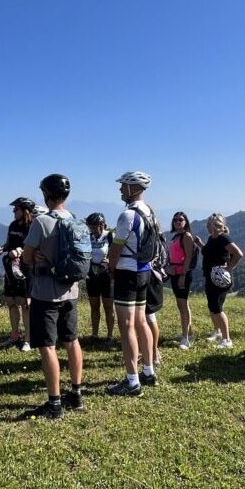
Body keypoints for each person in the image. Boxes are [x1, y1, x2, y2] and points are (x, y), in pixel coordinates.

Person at [21, 174, 84, 419]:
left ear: (46, 194)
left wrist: (37, 256)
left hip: (46, 292)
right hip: (71, 291)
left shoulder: (42, 222)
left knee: (47, 346)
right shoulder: (75, 219)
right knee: (72, 340)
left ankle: (54, 404)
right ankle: (76, 394)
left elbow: (27, 257)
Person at [106, 170, 161, 396]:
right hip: (144, 271)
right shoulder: (151, 212)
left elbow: (116, 248)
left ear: (132, 188)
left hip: (127, 273)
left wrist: (110, 268)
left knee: (126, 326)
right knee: (141, 322)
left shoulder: (127, 216)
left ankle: (132, 381)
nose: (120, 190)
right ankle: (148, 371)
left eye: (123, 186)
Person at [0, 197, 35, 352]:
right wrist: (3, 248)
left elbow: (34, 246)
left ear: (25, 210)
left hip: (26, 269)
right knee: (11, 301)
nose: (13, 212)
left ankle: (28, 339)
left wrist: (20, 251)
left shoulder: (33, 226)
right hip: (10, 267)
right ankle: (14, 335)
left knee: (25, 304)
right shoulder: (12, 225)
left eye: (16, 209)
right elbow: (8, 242)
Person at [202, 213, 243, 349]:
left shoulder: (223, 238)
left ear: (220, 226)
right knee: (212, 306)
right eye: (209, 224)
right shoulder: (211, 239)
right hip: (210, 277)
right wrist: (199, 245)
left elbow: (238, 254)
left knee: (218, 308)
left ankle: (227, 340)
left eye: (213, 224)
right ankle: (217, 331)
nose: (210, 226)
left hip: (220, 279)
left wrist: (229, 268)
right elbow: (208, 253)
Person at [168, 211, 202, 350]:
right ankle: (189, 333)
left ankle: (185, 339)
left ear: (185, 222)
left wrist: (182, 275)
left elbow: (188, 257)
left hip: (182, 274)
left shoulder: (186, 236)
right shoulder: (177, 236)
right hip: (175, 272)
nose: (177, 222)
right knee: (183, 304)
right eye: (175, 220)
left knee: (182, 306)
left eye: (180, 219)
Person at [84, 212, 115, 345]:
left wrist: (108, 261)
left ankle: (110, 335)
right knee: (94, 305)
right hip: (92, 274)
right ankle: (95, 335)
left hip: (106, 274)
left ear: (102, 225)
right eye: (90, 226)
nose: (92, 229)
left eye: (94, 226)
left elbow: (115, 253)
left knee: (108, 306)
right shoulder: (89, 237)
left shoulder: (109, 236)